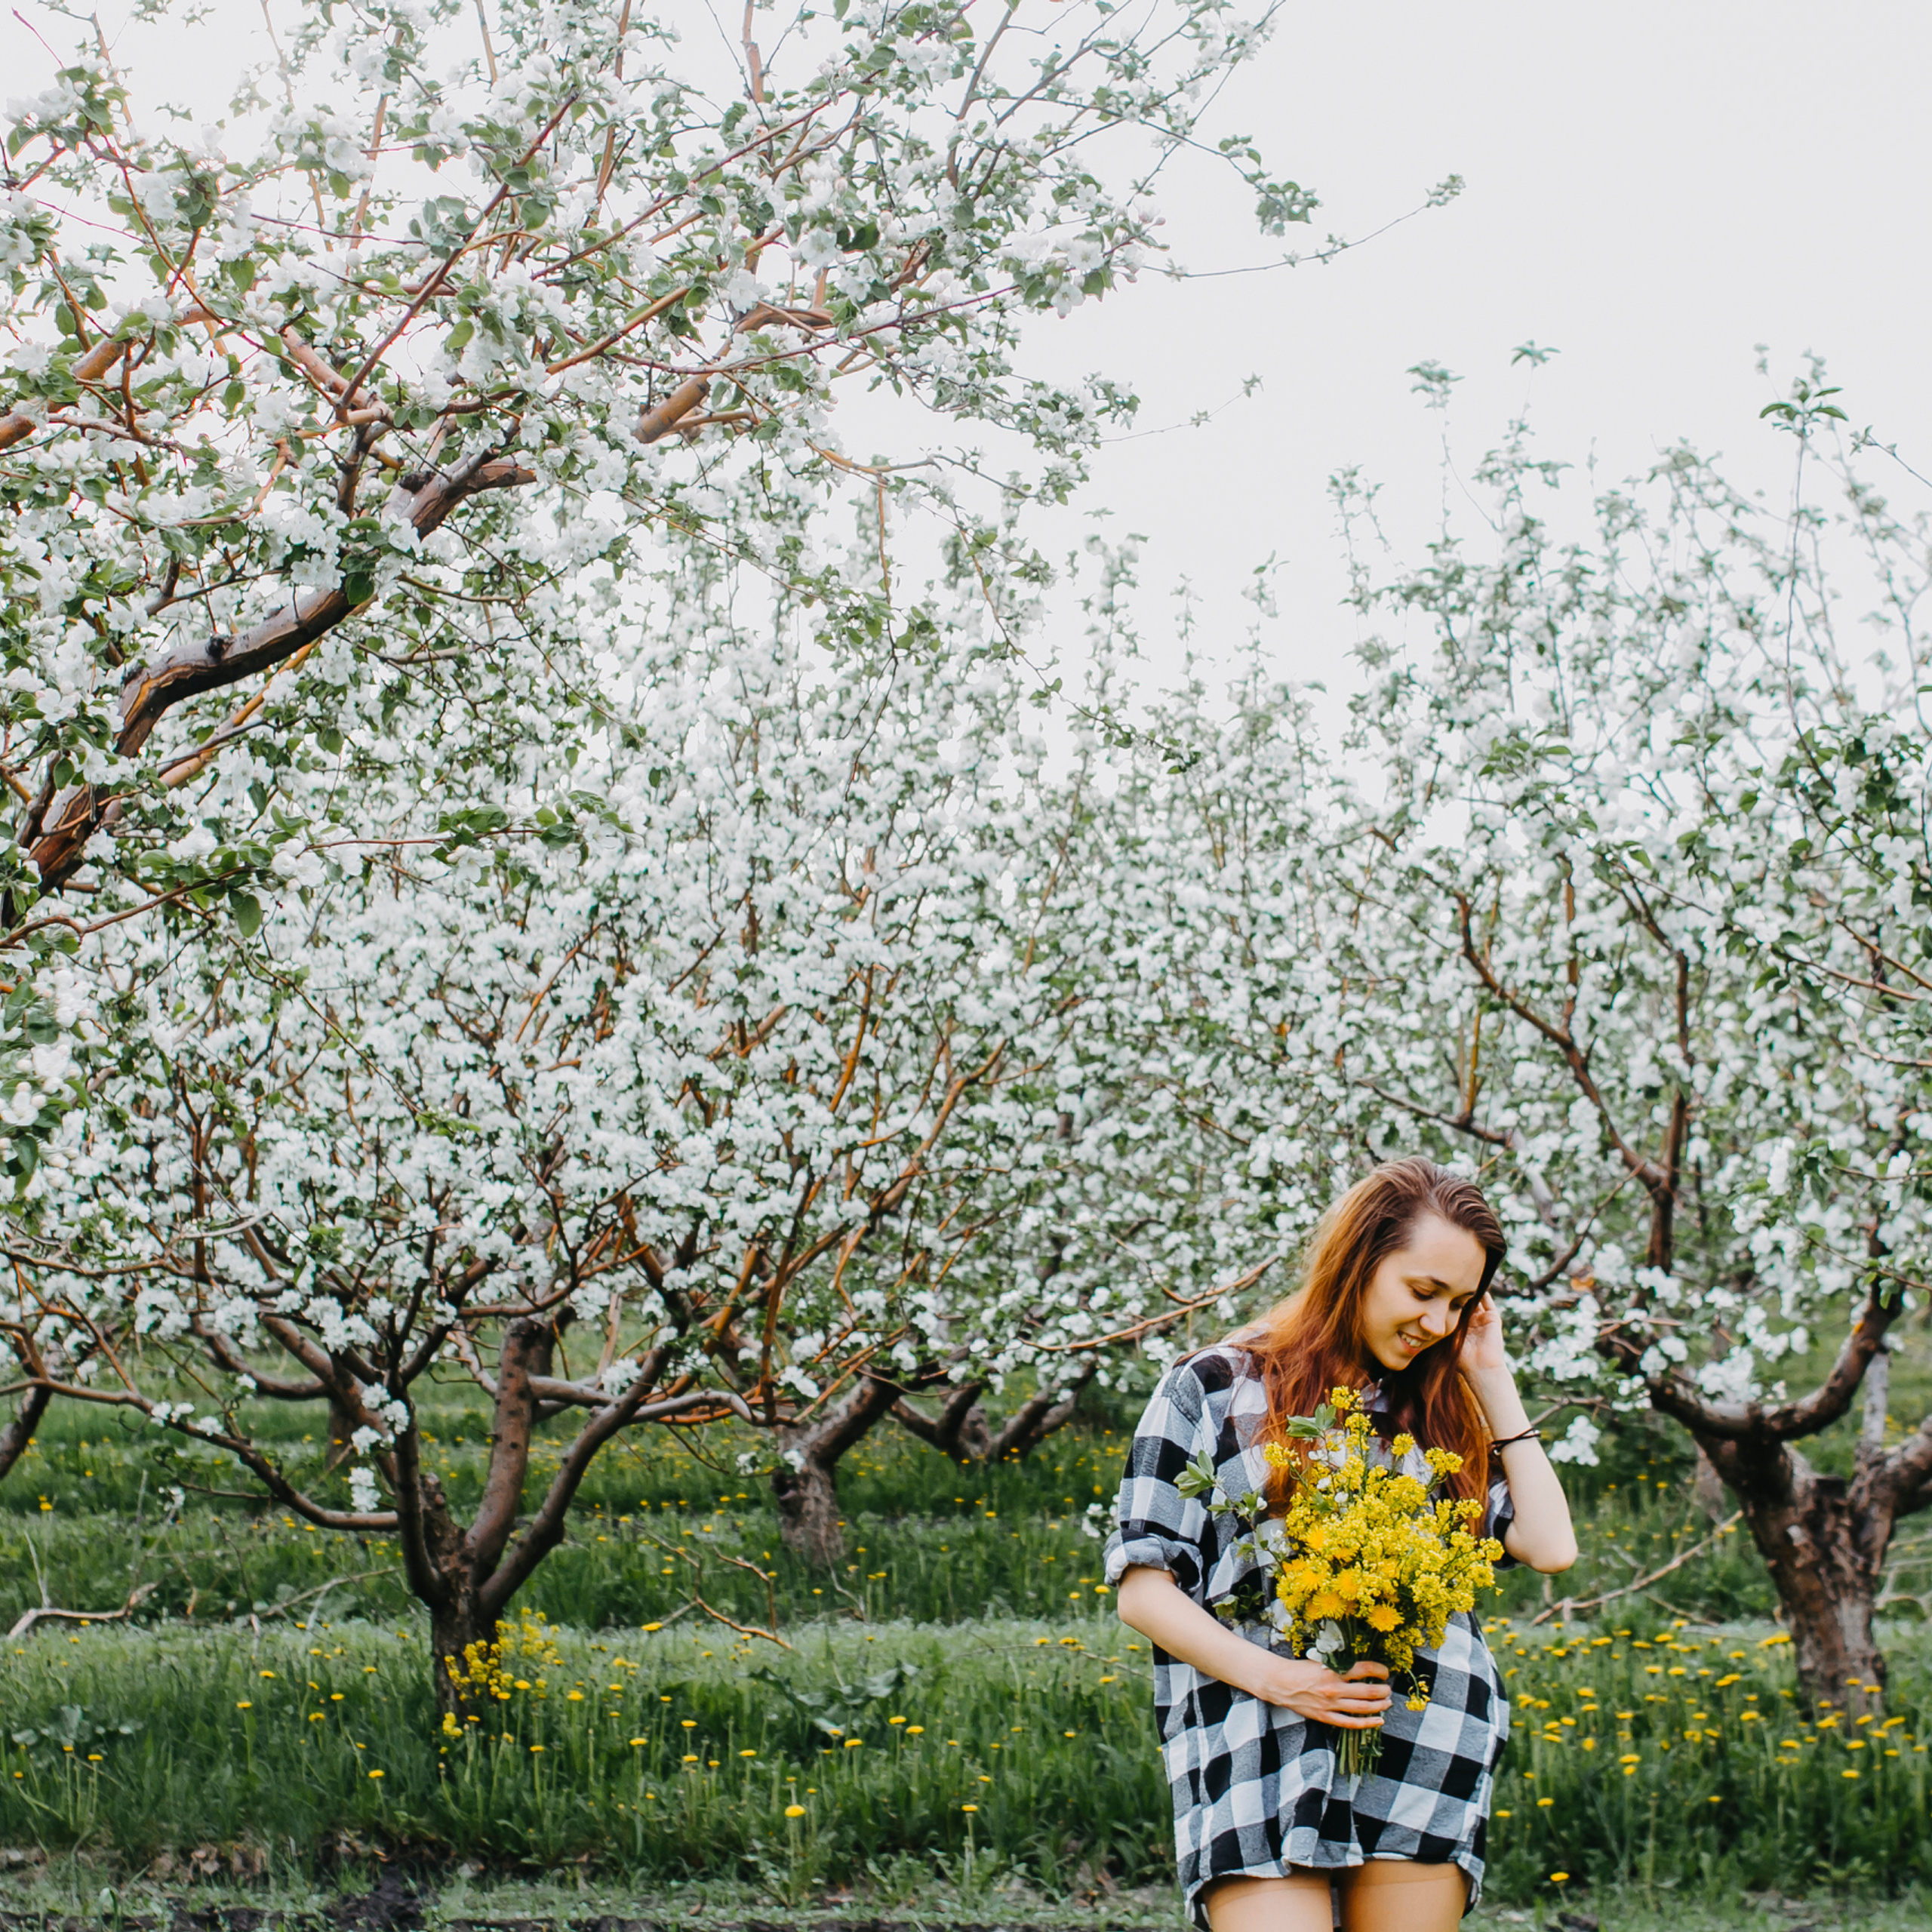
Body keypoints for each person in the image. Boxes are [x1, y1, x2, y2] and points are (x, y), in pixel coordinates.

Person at [1109, 1158, 1578, 1932]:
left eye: (1459, 1304)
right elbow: (1143, 1588)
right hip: (1254, 1741)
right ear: (1357, 1261)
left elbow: (1551, 1546)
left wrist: (1491, 1378)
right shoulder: (1213, 1385)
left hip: (1422, 1743)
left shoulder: (1438, 1410)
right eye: (1423, 1291)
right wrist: (1285, 1681)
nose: (1438, 1323)